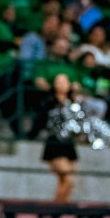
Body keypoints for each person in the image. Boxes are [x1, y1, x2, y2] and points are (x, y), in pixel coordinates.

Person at [41, 73, 79, 203]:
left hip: (69, 143)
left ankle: (60, 207)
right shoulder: (49, 103)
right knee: (69, 178)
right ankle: (57, 208)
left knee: (65, 181)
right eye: (59, 82)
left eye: (65, 81)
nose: (62, 85)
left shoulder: (73, 103)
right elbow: (44, 122)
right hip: (55, 142)